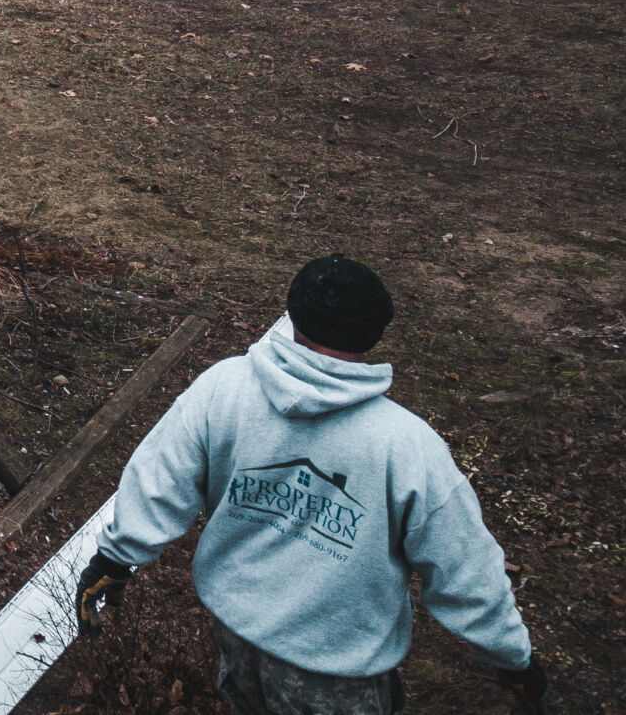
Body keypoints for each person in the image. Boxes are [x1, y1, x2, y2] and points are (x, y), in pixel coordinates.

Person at [77, 256, 550, 714]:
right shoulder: (407, 445)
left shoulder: (224, 387)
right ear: (374, 332)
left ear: (293, 311)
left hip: (236, 633)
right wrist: (513, 656)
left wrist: (116, 557)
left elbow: (159, 476)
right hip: (336, 669)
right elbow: (464, 566)